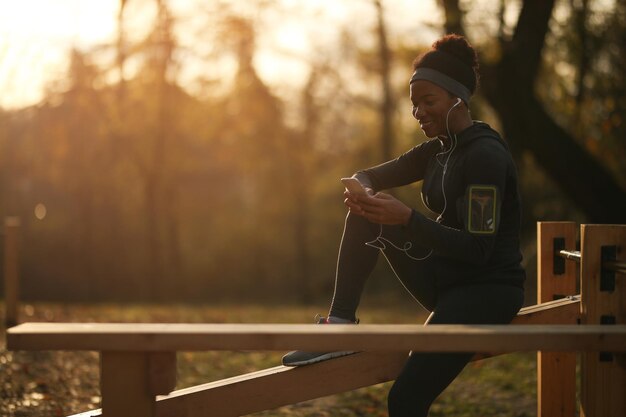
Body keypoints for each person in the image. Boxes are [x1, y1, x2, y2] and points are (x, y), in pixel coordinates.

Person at [282, 34, 525, 417]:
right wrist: (362, 191)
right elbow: (367, 174)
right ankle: (340, 323)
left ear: (457, 99)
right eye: (414, 104)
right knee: (366, 216)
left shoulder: (485, 157)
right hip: (446, 279)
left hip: (485, 291)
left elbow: (480, 251)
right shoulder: (438, 149)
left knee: (406, 399)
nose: (419, 113)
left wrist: (408, 219)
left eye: (428, 102)